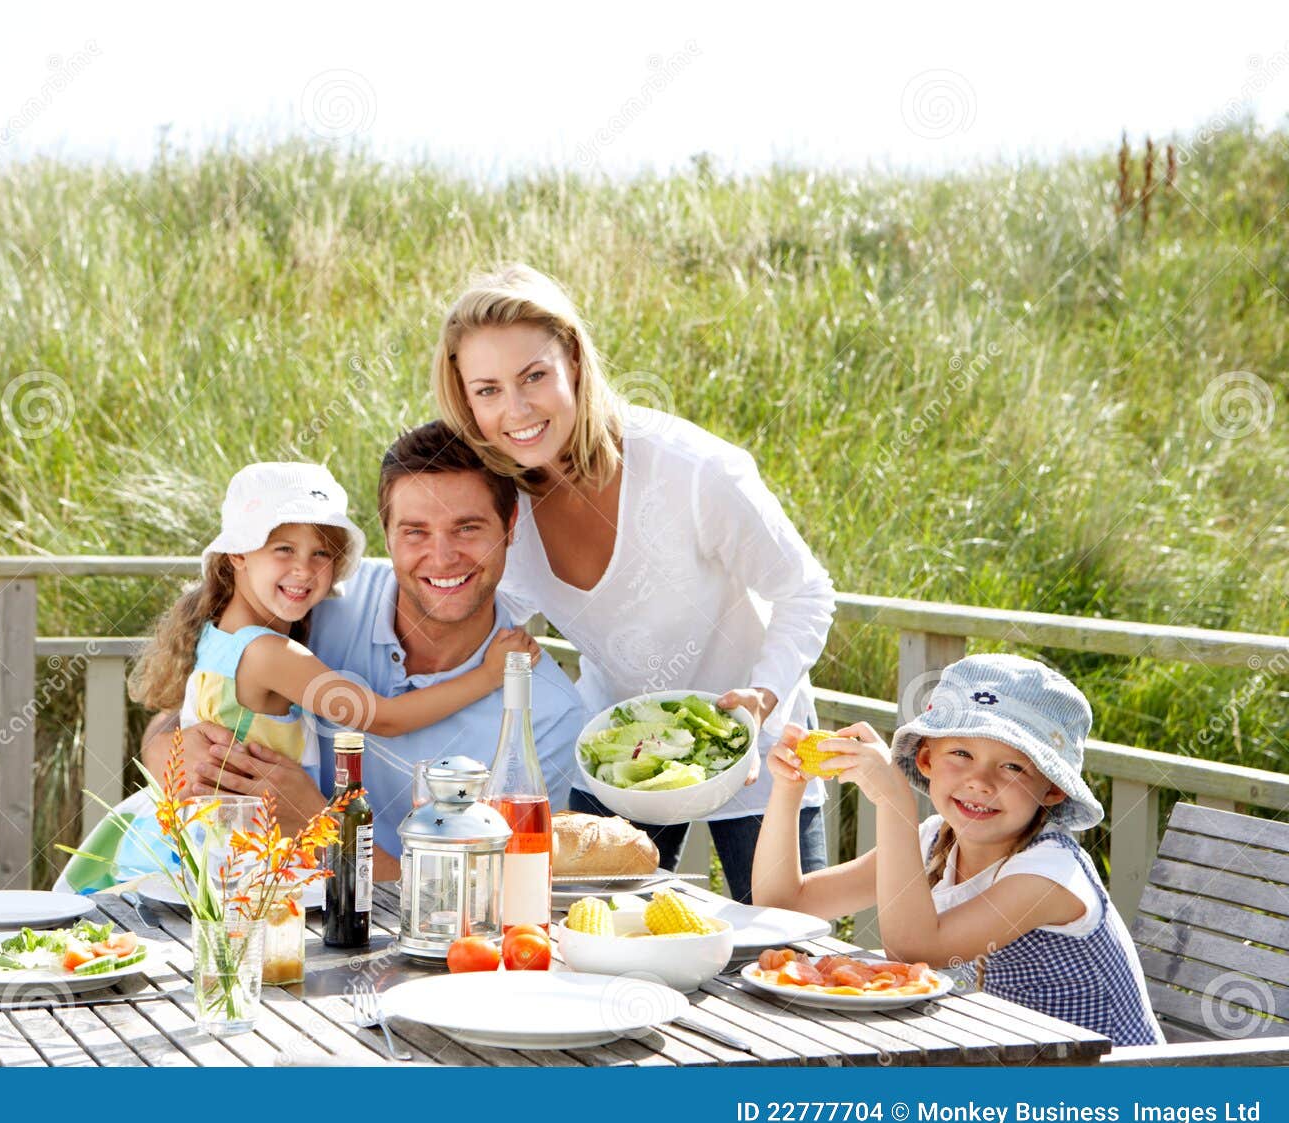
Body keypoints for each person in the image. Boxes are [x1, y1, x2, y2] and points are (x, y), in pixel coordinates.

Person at [431, 263, 836, 903]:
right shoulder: (500, 505)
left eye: (534, 376)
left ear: (573, 361)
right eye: (488, 390)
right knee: (579, 937)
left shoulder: (697, 470)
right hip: (621, 750)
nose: (516, 410)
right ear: (465, 397)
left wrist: (762, 696)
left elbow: (806, 591)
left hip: (758, 744)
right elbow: (457, 607)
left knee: (782, 944)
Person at [58, 460, 539, 893]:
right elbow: (386, 718)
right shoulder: (271, 653)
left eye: (321, 554)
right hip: (231, 851)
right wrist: (489, 675)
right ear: (239, 555)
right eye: (283, 548)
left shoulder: (218, 632)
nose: (304, 570)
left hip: (203, 835)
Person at [133, 425, 590, 879]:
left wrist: (324, 830)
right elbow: (183, 717)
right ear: (387, 534)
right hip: (239, 880)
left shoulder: (545, 714)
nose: (442, 555)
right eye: (415, 531)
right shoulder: (316, 604)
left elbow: (497, 893)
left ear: (510, 527)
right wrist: (175, 754)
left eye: (467, 528)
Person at [752, 654, 1162, 1046]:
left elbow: (914, 950)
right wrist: (789, 787)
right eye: (961, 754)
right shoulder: (935, 842)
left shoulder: (1051, 874)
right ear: (927, 760)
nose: (980, 781)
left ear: (1052, 789)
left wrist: (894, 802)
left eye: (1013, 767)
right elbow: (784, 903)